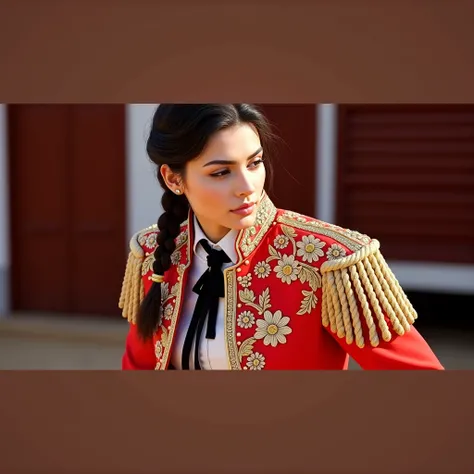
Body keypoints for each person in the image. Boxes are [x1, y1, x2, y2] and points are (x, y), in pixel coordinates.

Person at [119, 104, 444, 370]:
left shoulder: (329, 261)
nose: (247, 186)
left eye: (255, 162)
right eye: (221, 172)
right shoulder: (153, 252)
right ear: (174, 179)